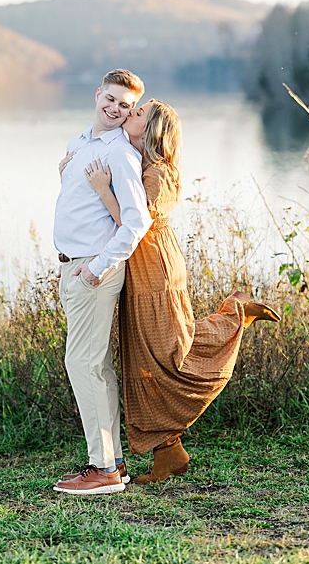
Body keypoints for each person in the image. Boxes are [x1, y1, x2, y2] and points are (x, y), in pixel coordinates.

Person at [80, 99, 279, 483]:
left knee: (170, 356)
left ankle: (235, 314)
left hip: (156, 270)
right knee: (146, 358)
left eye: (137, 113)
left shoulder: (158, 173)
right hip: (140, 269)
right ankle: (168, 453)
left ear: (152, 128)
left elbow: (132, 226)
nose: (128, 114)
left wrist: (103, 189)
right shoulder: (140, 162)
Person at [50, 69, 152, 496]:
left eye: (125, 106)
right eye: (110, 100)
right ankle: (113, 462)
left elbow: (137, 222)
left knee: (84, 364)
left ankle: (103, 468)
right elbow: (80, 204)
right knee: (94, 365)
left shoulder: (120, 153)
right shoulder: (79, 144)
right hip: (73, 266)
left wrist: (99, 267)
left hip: (93, 270)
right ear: (97, 95)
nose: (115, 109)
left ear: (130, 112)